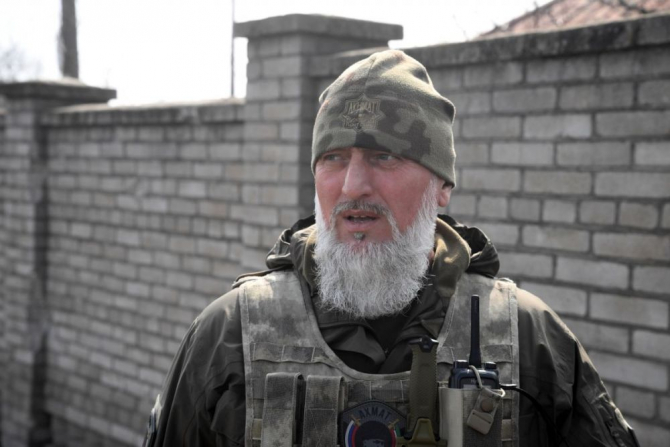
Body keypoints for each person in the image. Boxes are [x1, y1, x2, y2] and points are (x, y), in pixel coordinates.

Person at [144, 50, 639, 447]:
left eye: (384, 156)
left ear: (442, 186)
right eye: (334, 158)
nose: (352, 186)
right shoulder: (231, 335)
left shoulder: (527, 338)